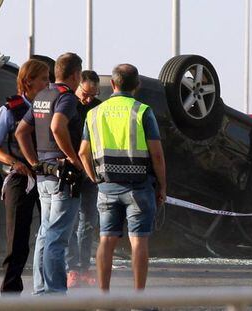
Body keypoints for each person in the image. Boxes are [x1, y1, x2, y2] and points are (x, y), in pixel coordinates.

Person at [79, 63, 166, 292]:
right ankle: (138, 299)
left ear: (114, 84)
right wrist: (163, 186)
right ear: (137, 85)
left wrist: (95, 179)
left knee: (106, 241)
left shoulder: (94, 113)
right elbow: (156, 153)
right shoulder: (143, 112)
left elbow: (82, 152)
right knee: (139, 242)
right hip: (139, 188)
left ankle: (104, 299)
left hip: (106, 187)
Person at [15, 52, 83, 294]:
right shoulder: (66, 98)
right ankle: (55, 293)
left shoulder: (42, 96)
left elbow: (21, 132)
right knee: (57, 236)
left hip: (44, 174)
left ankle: (42, 289)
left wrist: (34, 161)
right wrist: (74, 159)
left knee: (45, 233)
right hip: (63, 177)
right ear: (76, 75)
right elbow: (57, 126)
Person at [0, 59, 50, 294]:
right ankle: (10, 293)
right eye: (43, 79)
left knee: (50, 233)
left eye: (49, 78)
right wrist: (15, 162)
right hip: (19, 178)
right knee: (18, 240)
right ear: (28, 81)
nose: (48, 83)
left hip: (46, 177)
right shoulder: (9, 109)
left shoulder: (48, 107)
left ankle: (47, 288)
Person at [66, 70, 102, 288]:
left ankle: (85, 266)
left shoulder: (98, 107)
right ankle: (72, 268)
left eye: (92, 95)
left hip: (91, 171)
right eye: (85, 94)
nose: (88, 99)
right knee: (70, 222)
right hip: (71, 169)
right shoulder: (67, 104)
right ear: (77, 85)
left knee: (89, 221)